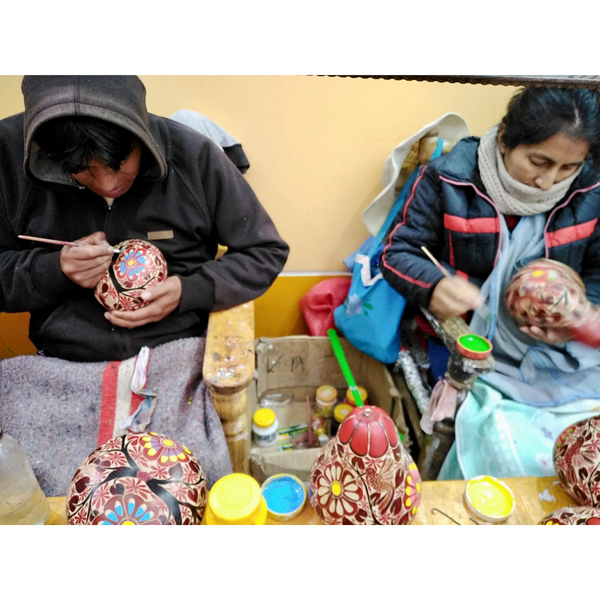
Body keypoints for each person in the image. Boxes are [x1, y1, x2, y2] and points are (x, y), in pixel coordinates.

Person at [380, 86, 600, 480]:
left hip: (558, 350)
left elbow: (598, 269)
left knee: (586, 453)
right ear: (504, 140)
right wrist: (434, 285)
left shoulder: (590, 192)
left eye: (569, 168)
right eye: (539, 161)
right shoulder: (449, 180)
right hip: (472, 340)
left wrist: (581, 314)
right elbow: (396, 252)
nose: (549, 182)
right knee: (517, 456)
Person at [0, 76, 289, 362]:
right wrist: (52, 270)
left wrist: (189, 291)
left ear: (140, 134)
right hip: (63, 362)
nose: (108, 184)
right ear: (51, 157)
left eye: (120, 160)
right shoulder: (9, 156)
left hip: (180, 353)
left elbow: (264, 252)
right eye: (81, 168)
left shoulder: (192, 155)